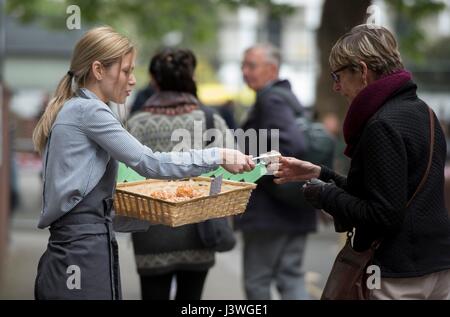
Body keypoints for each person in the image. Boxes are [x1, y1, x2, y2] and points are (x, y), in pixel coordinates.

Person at [32, 26, 254, 300]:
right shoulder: (89, 111)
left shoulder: (78, 108)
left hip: (81, 248)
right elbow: (150, 163)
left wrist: (155, 210)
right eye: (126, 71)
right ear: (99, 70)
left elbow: (92, 201)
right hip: (81, 252)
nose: (133, 80)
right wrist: (218, 155)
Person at [273, 24, 450, 300]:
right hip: (437, 267)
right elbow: (384, 192)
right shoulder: (423, 113)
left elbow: (383, 214)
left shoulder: (381, 124)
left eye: (338, 75)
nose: (336, 86)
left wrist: (324, 195)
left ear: (363, 71)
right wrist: (322, 173)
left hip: (395, 274)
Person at [127, 48, 236, 300]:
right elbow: (232, 171)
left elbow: (124, 177)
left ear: (154, 80)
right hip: (200, 229)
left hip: (150, 231)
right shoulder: (211, 119)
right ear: (191, 78)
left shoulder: (136, 123)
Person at [236, 43, 316, 300]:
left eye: (251, 65)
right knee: (290, 278)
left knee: (257, 282)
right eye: (243, 65)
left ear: (272, 68)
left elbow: (293, 144)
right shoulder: (286, 97)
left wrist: (257, 170)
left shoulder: (270, 99)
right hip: (295, 206)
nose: (244, 71)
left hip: (270, 213)